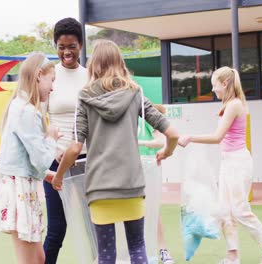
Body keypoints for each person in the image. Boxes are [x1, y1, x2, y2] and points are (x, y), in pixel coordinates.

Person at [51, 39, 179, 264]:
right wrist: (167, 151)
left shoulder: (85, 96)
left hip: (100, 187)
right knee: (138, 248)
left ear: (93, 65)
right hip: (131, 184)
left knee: (106, 255)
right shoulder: (135, 93)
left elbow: (75, 147)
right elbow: (173, 134)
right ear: (119, 62)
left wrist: (59, 176)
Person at [178, 66, 262, 264]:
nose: (213, 90)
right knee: (224, 211)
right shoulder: (230, 104)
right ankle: (232, 255)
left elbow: (217, 137)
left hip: (237, 163)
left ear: (224, 83)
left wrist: (191, 137)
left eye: (214, 85)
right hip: (229, 162)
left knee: (239, 210)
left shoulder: (234, 104)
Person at [0, 52, 61, 264]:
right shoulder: (26, 111)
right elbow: (40, 158)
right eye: (52, 80)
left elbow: (27, 159)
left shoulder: (22, 107)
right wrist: (50, 138)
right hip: (19, 189)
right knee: (29, 260)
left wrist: (49, 175)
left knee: (39, 258)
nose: (52, 87)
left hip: (21, 186)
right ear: (39, 75)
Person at [42, 17, 88, 264]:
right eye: (61, 46)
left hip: (85, 158)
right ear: (55, 46)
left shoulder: (90, 76)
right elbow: (39, 120)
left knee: (96, 224)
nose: (66, 52)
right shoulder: (49, 76)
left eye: (72, 46)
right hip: (54, 162)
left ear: (80, 45)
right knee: (57, 229)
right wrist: (52, 146)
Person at [138, 104, 176, 264]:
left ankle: (162, 250)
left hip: (148, 166)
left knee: (152, 209)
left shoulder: (143, 115)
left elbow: (161, 141)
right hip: (126, 168)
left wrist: (138, 143)